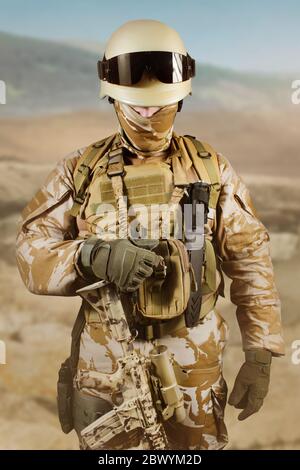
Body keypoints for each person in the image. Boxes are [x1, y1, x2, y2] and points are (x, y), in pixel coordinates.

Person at [16, 19, 285, 450]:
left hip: (193, 374)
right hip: (106, 372)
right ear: (111, 96)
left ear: (181, 97)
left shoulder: (211, 170)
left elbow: (251, 257)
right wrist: (92, 257)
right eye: (136, 103)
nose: (147, 111)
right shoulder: (80, 171)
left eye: (158, 104)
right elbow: (30, 252)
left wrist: (261, 352)